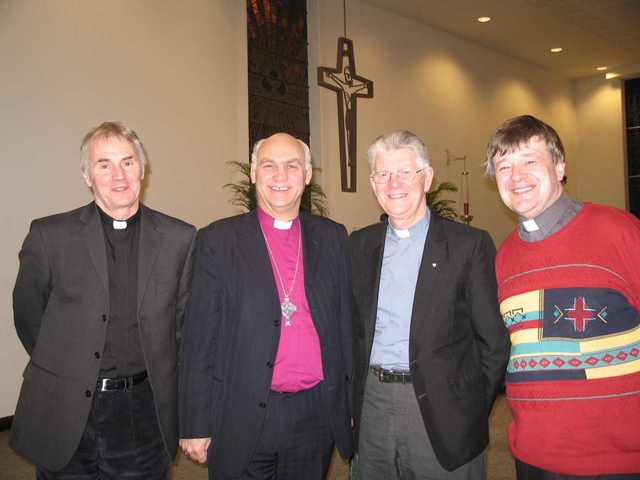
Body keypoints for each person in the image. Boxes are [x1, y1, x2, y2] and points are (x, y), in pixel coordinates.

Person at [11, 121, 197, 479]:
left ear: (142, 168)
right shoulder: (50, 236)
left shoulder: (179, 239)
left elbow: (181, 327)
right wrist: (68, 366)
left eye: (127, 162)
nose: (119, 176)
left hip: (143, 408)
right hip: (66, 405)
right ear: (86, 175)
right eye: (104, 165)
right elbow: (29, 316)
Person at [179, 133, 354, 479]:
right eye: (269, 165)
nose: (280, 175)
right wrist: (195, 421)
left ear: (307, 175)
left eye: (292, 166)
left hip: (315, 412)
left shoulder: (333, 236)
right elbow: (198, 339)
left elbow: (346, 326)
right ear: (253, 174)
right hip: (241, 410)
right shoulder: (218, 240)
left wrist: (348, 403)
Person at [485, 115, 640, 479]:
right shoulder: (504, 256)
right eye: (503, 166)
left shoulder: (617, 230)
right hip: (534, 456)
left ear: (559, 166)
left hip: (617, 460)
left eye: (529, 161)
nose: (515, 176)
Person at [349, 130, 510, 479]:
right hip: (373, 403)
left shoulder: (468, 245)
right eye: (383, 174)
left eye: (405, 172)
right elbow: (353, 331)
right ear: (373, 183)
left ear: (428, 178)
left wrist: (469, 408)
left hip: (443, 406)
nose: (394, 183)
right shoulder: (360, 245)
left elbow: (494, 344)